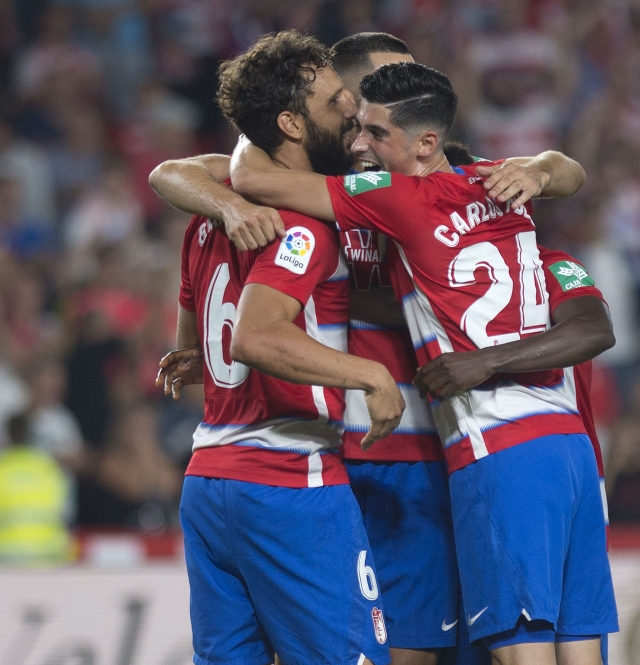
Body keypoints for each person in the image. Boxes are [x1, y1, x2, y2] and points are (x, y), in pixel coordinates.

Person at [150, 32, 591, 665]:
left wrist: (543, 167)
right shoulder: (309, 191)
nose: (395, 102)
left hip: (431, 448)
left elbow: (562, 173)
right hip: (342, 456)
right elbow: (180, 171)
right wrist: (229, 205)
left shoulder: (416, 180)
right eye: (367, 97)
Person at [156, 31, 404, 665]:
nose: (350, 109)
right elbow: (257, 336)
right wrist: (370, 376)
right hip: (290, 477)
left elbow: (195, 343)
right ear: (291, 124)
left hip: (210, 479)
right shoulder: (303, 228)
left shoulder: (209, 218)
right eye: (333, 101)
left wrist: (204, 359)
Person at [0, 412, 72, 565]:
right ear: (32, 436)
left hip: (1, 557)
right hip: (47, 557)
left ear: (6, 436)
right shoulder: (52, 470)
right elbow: (66, 514)